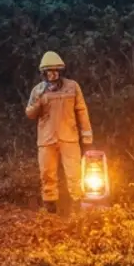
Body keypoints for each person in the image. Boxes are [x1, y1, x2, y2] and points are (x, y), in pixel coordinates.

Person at [25, 50, 93, 213]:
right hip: (46, 139)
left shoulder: (72, 86)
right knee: (47, 174)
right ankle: (50, 207)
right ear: (43, 73)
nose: (53, 74)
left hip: (69, 137)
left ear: (61, 71)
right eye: (49, 71)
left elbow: (82, 110)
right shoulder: (38, 90)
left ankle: (77, 206)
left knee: (74, 173)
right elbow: (30, 114)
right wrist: (38, 102)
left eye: (56, 71)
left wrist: (87, 135)